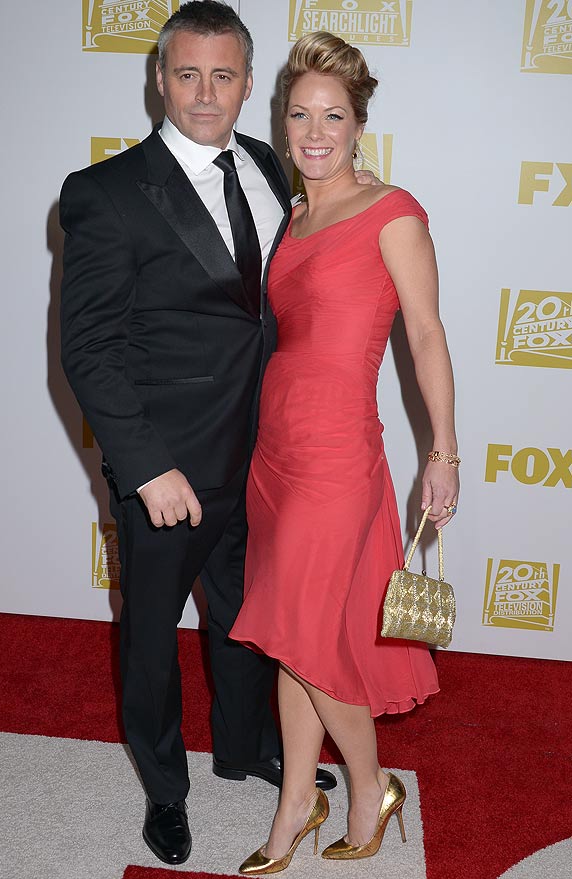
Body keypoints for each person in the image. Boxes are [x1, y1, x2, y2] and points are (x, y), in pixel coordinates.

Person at [60, 2, 379, 867]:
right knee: (153, 642)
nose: (206, 92)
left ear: (248, 85)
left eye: (225, 75)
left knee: (253, 621)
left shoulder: (277, 168)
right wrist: (146, 463)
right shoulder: (106, 192)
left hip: (271, 460)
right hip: (169, 468)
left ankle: (248, 746)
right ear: (159, 79)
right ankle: (166, 791)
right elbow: (88, 346)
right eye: (188, 73)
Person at [230, 31, 460, 875]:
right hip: (275, 451)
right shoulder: (293, 216)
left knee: (312, 638)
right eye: (300, 115)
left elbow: (427, 334)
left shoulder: (392, 211)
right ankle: (299, 794)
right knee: (297, 635)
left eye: (333, 115)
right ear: (284, 123)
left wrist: (445, 450)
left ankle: (367, 783)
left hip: (336, 453)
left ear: (359, 123)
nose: (315, 130)